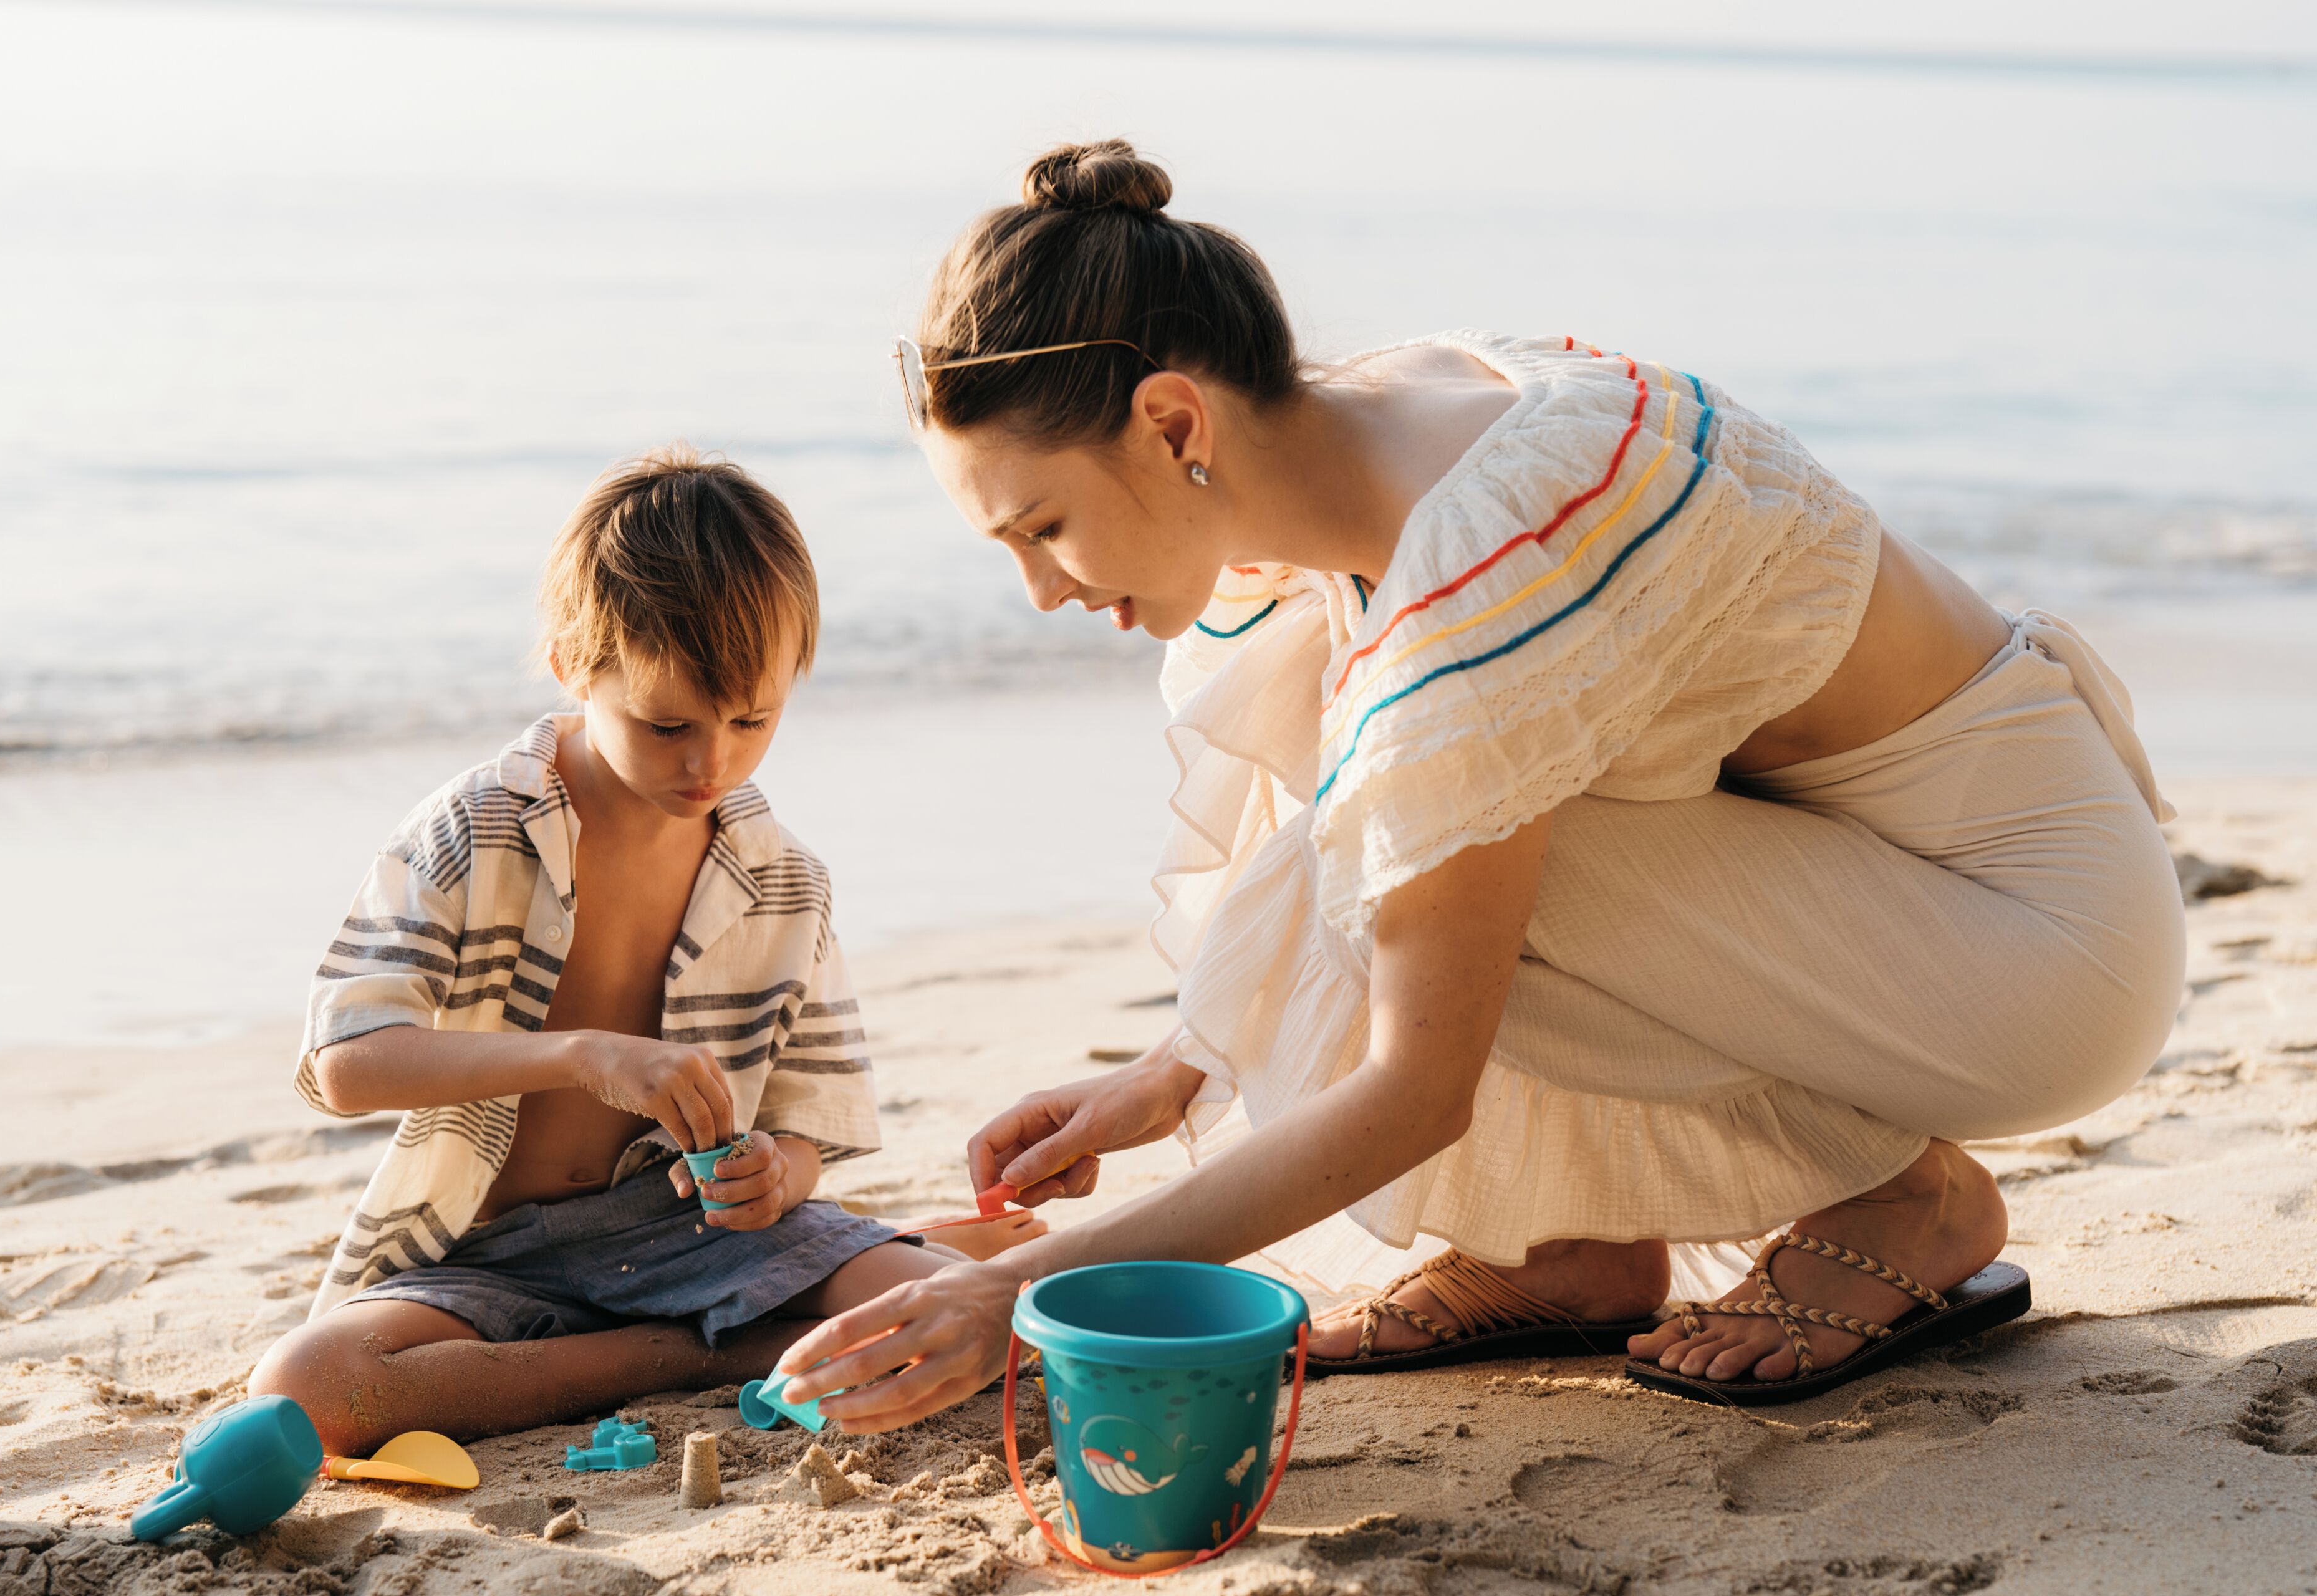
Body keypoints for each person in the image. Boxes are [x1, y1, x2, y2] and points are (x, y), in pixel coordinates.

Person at [771, 140, 2185, 1425]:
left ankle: (1910, 1201)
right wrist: (1170, 1074)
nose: (1036, 590)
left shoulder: (1479, 564)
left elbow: (1411, 1087)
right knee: (1401, 814)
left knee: (1416, 837)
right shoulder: (1373, 445)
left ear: (1175, 423)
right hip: (1893, 877)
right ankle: (1569, 1243)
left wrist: (1006, 1294)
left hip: (2036, 943)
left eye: (1046, 526)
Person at [249, 447, 1036, 1456]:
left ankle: (774, 1306)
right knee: (310, 1386)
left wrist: (779, 1179)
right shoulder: (475, 831)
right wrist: (583, 1054)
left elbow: (807, 1125)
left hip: (703, 1243)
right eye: (667, 724)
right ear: (576, 666)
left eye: (753, 719)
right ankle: (705, 1356)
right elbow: (344, 1063)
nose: (712, 761)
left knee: (989, 1311)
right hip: (490, 1259)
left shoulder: (783, 882)